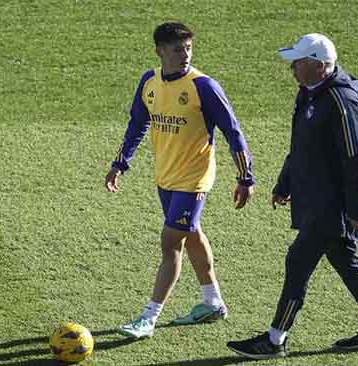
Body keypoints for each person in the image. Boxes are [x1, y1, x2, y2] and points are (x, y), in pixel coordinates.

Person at [226, 33, 358, 359]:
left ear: (319, 66)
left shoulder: (341, 102)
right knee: (343, 259)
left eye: (298, 62)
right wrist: (284, 184)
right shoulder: (309, 94)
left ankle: (275, 340)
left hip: (331, 206)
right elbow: (300, 148)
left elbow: (357, 158)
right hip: (317, 200)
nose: (292, 67)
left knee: (298, 261)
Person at [105, 22, 255, 339]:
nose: (184, 54)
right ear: (159, 50)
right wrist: (120, 163)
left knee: (171, 242)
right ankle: (213, 302)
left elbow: (233, 132)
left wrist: (245, 176)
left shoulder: (204, 87)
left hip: (194, 178)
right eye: (177, 49)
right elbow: (137, 124)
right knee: (191, 234)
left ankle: (148, 318)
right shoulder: (150, 82)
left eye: (188, 48)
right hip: (166, 176)